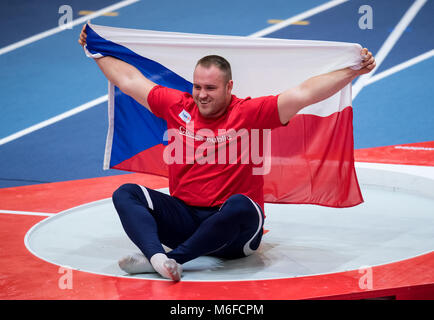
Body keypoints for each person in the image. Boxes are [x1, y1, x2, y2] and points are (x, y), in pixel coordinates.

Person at [78, 23, 376, 281]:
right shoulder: (177, 106)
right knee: (126, 193)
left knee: (242, 205)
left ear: (229, 87)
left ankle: (174, 260)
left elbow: (304, 94)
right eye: (197, 87)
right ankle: (158, 258)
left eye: (210, 88)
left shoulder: (249, 112)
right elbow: (129, 81)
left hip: (235, 236)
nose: (202, 95)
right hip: (186, 220)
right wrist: (95, 50)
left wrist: (353, 70)